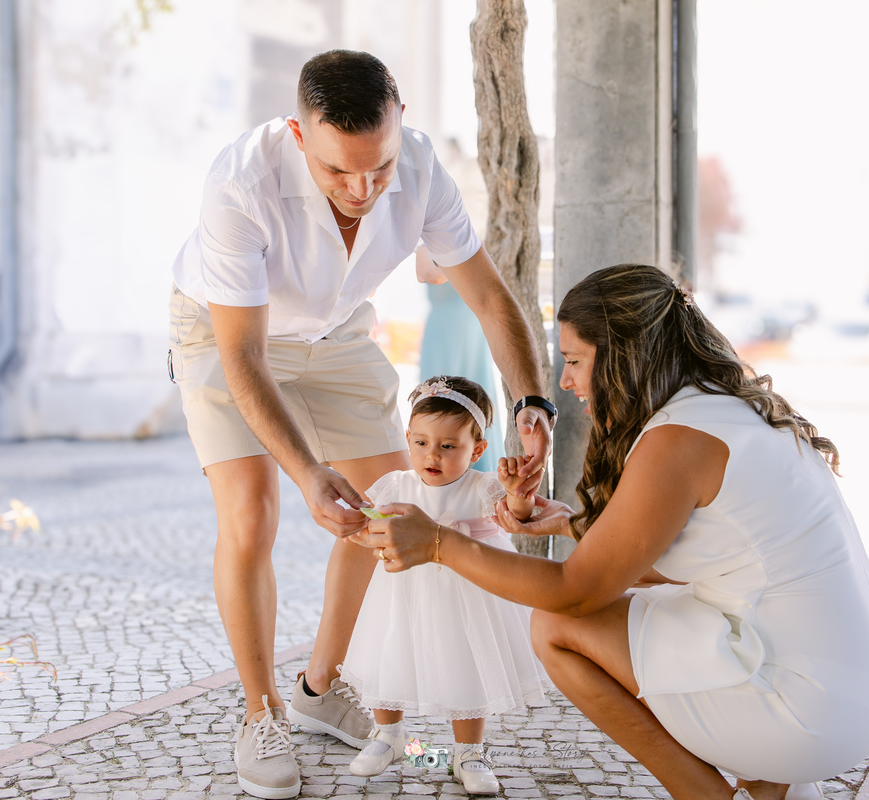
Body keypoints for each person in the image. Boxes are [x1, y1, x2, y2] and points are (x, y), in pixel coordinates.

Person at [359, 264, 869, 800]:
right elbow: (690, 561)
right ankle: (774, 783)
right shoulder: (725, 409)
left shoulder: (677, 439)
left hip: (803, 706)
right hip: (852, 687)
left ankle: (709, 792)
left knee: (554, 626)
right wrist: (575, 526)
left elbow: (574, 592)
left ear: (623, 355)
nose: (566, 380)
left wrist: (438, 543)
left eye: (574, 360)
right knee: (647, 603)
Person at [167, 49, 554, 799]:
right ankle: (261, 712)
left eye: (376, 169)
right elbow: (244, 358)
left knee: (385, 505)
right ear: (297, 134)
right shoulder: (241, 181)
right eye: (337, 172)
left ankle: (318, 687)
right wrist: (308, 473)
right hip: (227, 332)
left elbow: (488, 294)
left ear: (400, 120)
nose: (361, 190)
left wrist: (531, 402)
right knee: (253, 512)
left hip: (336, 332)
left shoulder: (420, 169)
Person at [339, 375, 549, 794]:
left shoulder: (483, 487)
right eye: (420, 442)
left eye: (448, 446)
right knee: (390, 651)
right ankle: (390, 736)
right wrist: (362, 532)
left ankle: (468, 750)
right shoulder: (396, 485)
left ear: (478, 449)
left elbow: (517, 514)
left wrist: (519, 491)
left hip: (466, 593)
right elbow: (364, 526)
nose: (431, 454)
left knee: (465, 662)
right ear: (408, 439)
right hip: (401, 592)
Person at [415, 246, 506, 471]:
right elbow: (431, 275)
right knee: (438, 397)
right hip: (443, 331)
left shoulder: (473, 244)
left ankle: (480, 466)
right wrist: (463, 261)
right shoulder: (424, 249)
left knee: (478, 394)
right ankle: (439, 462)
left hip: (471, 329)